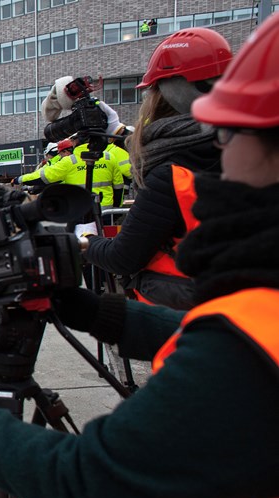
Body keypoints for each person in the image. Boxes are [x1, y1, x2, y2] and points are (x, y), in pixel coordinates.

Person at [0, 15, 279, 498]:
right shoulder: (253, 323)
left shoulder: (245, 349)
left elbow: (87, 484)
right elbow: (229, 339)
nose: (217, 148)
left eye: (227, 133)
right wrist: (103, 314)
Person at [83, 27, 231, 310]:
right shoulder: (247, 147)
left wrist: (85, 240)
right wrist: (117, 129)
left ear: (168, 92)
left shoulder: (170, 176)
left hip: (184, 314)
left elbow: (123, 257)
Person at [13, 134, 124, 207]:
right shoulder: (109, 157)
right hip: (107, 212)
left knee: (79, 241)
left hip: (80, 212)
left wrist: (20, 179)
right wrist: (116, 208)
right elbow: (119, 186)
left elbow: (44, 176)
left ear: (76, 143)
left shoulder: (70, 161)